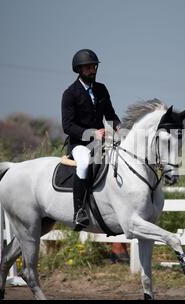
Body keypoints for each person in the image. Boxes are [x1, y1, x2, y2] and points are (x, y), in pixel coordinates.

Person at [61, 49, 121, 231]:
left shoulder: (101, 89)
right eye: (88, 67)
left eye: (94, 66)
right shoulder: (70, 94)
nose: (92, 70)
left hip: (100, 142)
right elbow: (68, 126)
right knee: (85, 162)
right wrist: (93, 133)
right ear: (79, 69)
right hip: (79, 144)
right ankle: (79, 211)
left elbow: (110, 115)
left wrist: (119, 127)